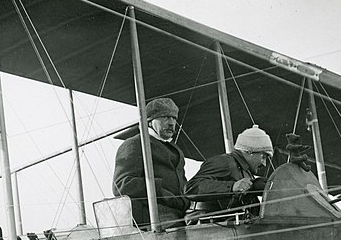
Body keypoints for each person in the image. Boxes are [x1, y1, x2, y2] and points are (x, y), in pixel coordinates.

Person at [112, 97, 190, 228]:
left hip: (180, 214)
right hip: (153, 217)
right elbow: (121, 185)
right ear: (149, 121)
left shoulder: (174, 149)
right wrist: (161, 192)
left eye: (174, 118)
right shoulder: (135, 144)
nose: (171, 123)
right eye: (165, 117)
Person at [184, 125, 273, 216]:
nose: (264, 163)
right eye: (263, 157)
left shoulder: (245, 171)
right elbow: (192, 188)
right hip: (206, 226)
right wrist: (232, 186)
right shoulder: (225, 162)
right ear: (250, 151)